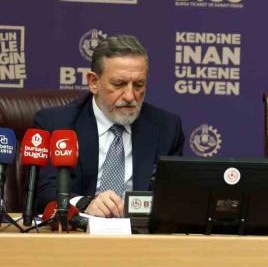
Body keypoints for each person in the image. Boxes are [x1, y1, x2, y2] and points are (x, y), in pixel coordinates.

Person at [35, 34, 184, 218]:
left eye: (138, 85)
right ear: (93, 82)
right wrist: (84, 204)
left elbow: (174, 197)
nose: (130, 96)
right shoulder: (57, 124)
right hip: (79, 230)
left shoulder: (167, 128)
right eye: (119, 84)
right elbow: (43, 191)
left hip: (138, 232)